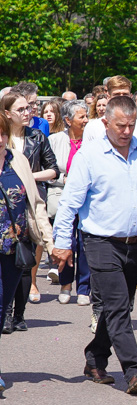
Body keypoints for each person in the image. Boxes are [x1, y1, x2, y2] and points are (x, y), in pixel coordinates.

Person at [52, 96, 137, 395]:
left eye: (131, 125)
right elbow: (70, 203)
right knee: (116, 305)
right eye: (120, 125)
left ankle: (95, 357)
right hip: (100, 242)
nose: (126, 131)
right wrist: (62, 242)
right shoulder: (90, 155)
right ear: (106, 123)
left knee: (120, 306)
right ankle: (134, 370)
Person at [1, 91, 59, 331]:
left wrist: (50, 243)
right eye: (21, 109)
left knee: (6, 300)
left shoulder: (21, 155)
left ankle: (18, 313)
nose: (0, 139)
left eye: (2, 134)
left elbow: (36, 203)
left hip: (17, 239)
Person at [47, 100, 92, 306]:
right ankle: (65, 285)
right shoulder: (55, 140)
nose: (86, 120)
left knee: (84, 243)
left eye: (86, 116)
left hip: (87, 200)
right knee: (66, 242)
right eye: (81, 116)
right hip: (62, 197)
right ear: (67, 120)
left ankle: (84, 288)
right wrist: (63, 179)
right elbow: (49, 169)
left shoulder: (93, 140)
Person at [83, 76, 137, 145]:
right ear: (108, 96)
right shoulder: (93, 128)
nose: (121, 98)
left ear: (131, 96)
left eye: (125, 94)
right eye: (116, 95)